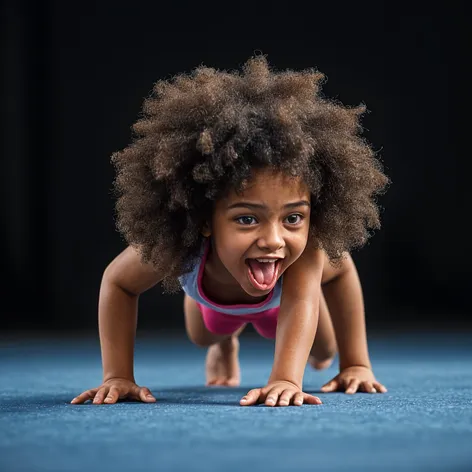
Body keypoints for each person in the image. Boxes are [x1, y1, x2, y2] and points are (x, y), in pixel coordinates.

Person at [71, 55, 390, 408]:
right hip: (215, 300)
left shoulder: (304, 250)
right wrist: (118, 375)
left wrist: (346, 365)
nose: (273, 239)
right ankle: (226, 343)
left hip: (289, 303)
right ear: (205, 219)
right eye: (247, 219)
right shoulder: (180, 247)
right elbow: (118, 282)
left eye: (293, 218)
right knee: (203, 335)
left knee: (323, 349)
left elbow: (322, 285)